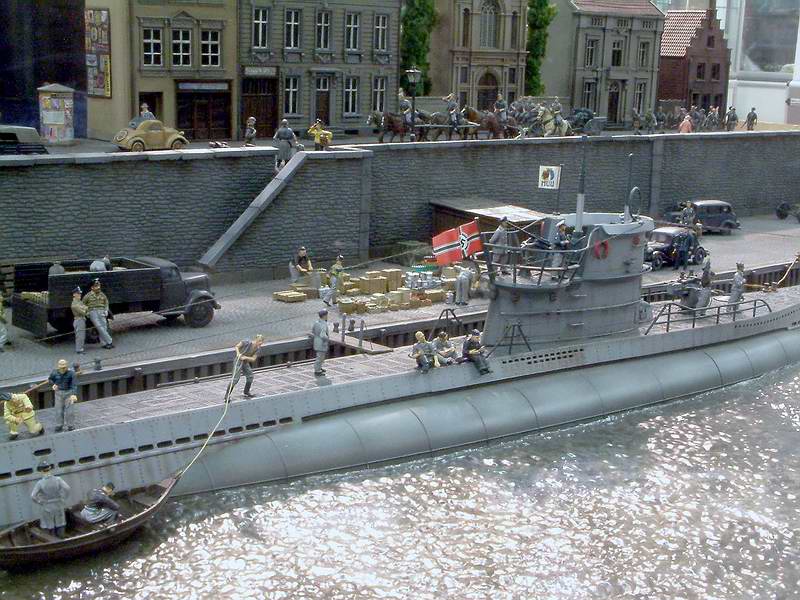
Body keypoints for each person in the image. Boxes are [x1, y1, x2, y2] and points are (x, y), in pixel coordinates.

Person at [31, 462, 70, 538]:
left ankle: (52, 539)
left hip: (47, 505)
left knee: (49, 525)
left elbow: (33, 496)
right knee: (60, 523)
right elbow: (67, 488)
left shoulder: (40, 483)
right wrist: (63, 498)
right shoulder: (58, 479)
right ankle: (61, 538)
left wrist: (40, 502)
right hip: (58, 504)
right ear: (50, 469)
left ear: (41, 471)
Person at [48, 359, 78, 433]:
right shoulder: (54, 372)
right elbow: (50, 379)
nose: (63, 369)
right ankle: (59, 425)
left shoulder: (71, 373)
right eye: (61, 367)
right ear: (58, 367)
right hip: (58, 393)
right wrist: (53, 384)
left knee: (70, 410)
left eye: (64, 367)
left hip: (69, 393)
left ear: (67, 366)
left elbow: (74, 384)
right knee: (58, 410)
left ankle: (70, 425)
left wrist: (73, 394)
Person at [230, 334, 264, 398]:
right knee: (235, 379)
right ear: (256, 340)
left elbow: (253, 359)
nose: (260, 343)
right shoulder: (247, 342)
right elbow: (237, 346)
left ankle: (246, 391)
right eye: (259, 341)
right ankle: (227, 396)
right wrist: (238, 354)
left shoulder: (258, 349)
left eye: (262, 341)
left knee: (250, 376)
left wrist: (245, 358)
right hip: (238, 361)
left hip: (245, 362)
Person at [83, 279, 114, 349]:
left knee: (104, 327)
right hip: (93, 312)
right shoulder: (88, 296)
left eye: (99, 285)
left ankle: (104, 344)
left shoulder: (102, 294)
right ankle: (109, 341)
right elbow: (83, 304)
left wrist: (106, 310)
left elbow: (106, 302)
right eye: (96, 286)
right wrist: (87, 313)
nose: (98, 287)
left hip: (101, 311)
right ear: (92, 287)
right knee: (99, 327)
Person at [312, 309, 330, 376]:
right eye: (326, 315)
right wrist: (327, 339)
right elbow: (323, 335)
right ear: (324, 316)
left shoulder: (316, 322)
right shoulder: (323, 324)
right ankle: (317, 370)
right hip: (322, 342)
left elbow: (313, 330)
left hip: (316, 340)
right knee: (320, 357)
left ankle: (319, 367)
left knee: (320, 356)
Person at [71, 286, 87, 354]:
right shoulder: (74, 304)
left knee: (82, 335)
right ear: (74, 294)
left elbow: (85, 307)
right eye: (78, 293)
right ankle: (79, 349)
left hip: (81, 319)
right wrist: (84, 309)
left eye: (80, 293)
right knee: (80, 336)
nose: (80, 295)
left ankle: (80, 348)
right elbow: (83, 312)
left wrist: (84, 308)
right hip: (79, 320)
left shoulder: (79, 302)